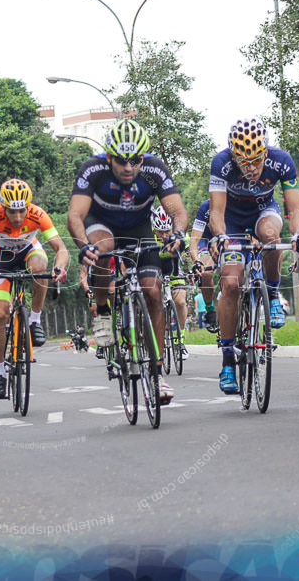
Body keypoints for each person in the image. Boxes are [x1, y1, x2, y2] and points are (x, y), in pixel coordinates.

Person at [68, 119, 188, 405]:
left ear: (143, 158)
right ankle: (104, 311)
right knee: (102, 248)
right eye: (121, 161)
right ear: (109, 157)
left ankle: (157, 373)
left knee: (153, 291)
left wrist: (178, 233)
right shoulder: (93, 170)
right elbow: (75, 215)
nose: (128, 167)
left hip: (138, 229)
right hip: (102, 224)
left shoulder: (154, 170)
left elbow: (177, 210)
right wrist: (83, 246)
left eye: (134, 160)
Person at [208, 118, 299, 394]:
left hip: (266, 210)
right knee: (230, 283)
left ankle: (273, 296)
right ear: (234, 155)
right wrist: (220, 236)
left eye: (256, 161)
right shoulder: (222, 163)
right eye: (244, 162)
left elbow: (295, 209)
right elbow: (216, 212)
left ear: (265, 152)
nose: (250, 168)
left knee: (271, 238)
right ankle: (228, 360)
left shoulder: (281, 160)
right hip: (232, 219)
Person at [0, 178, 69, 399]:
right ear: (3, 207)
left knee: (40, 267)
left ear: (28, 206)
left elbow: (61, 248)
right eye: (11, 212)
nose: (17, 218)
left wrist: (60, 268)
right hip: (1, 259)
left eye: (21, 211)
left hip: (29, 251)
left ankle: (34, 321)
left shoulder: (38, 214)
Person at [151, 205, 189, 361]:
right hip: (154, 270)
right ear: (154, 229)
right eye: (160, 232)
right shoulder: (148, 238)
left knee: (180, 301)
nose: (164, 235)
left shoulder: (179, 237)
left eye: (167, 231)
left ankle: (181, 340)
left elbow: (189, 249)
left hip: (173, 270)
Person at [188, 199, 218, 331]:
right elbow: (194, 240)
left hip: (229, 237)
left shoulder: (240, 200)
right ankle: (210, 310)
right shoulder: (206, 206)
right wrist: (196, 261)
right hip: (205, 240)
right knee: (206, 272)